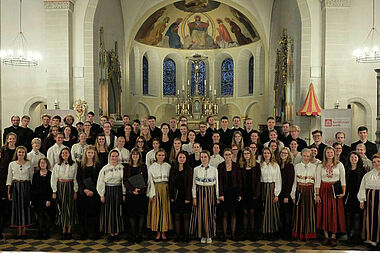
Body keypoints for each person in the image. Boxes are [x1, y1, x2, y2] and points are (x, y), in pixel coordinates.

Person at [316, 146, 346, 247]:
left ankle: (333, 236)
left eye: (331, 152)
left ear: (334, 153)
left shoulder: (339, 164)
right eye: (328, 152)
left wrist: (343, 192)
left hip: (335, 189)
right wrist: (317, 194)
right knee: (324, 212)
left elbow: (343, 179)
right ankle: (326, 236)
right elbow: (317, 180)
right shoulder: (320, 165)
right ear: (325, 154)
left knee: (334, 213)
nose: (330, 154)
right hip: (324, 190)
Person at [189, 150, 219, 244]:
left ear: (209, 158)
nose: (203, 159)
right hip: (199, 192)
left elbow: (217, 184)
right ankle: (202, 235)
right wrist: (194, 196)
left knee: (210, 214)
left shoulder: (214, 169)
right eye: (201, 157)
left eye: (205, 157)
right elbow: (193, 184)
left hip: (210, 192)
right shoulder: (196, 169)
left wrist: (217, 196)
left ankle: (209, 235)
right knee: (200, 214)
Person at [96, 149, 125, 242]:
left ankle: (116, 233)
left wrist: (124, 193)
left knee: (117, 211)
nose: (114, 158)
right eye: (112, 156)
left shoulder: (122, 167)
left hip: (118, 191)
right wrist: (102, 194)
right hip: (108, 191)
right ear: (109, 157)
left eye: (116, 156)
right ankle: (110, 233)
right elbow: (100, 182)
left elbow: (124, 182)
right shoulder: (105, 168)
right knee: (108, 211)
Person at [51, 147, 78, 240]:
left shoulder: (74, 164)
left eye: (66, 153)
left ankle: (69, 230)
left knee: (70, 207)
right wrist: (54, 191)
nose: (64, 155)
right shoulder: (57, 165)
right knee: (61, 208)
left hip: (70, 186)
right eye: (63, 153)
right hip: (60, 187)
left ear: (69, 154)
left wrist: (75, 190)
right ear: (60, 155)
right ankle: (63, 230)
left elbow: (75, 178)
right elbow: (54, 178)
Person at [6, 146, 33, 238]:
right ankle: (19, 231)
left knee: (25, 207)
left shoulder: (29, 163)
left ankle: (24, 231)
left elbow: (31, 177)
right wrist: (9, 191)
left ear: (25, 153)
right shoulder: (12, 164)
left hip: (25, 186)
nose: (21, 154)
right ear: (16, 153)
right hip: (15, 187)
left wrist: (31, 190)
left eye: (22, 152)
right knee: (16, 208)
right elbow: (9, 178)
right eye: (19, 152)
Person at [291, 148, 317, 240]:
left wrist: (315, 195)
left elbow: (316, 182)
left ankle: (309, 233)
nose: (306, 158)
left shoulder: (314, 167)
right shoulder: (297, 166)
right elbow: (294, 181)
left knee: (309, 212)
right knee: (299, 212)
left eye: (308, 156)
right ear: (301, 156)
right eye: (304, 156)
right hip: (300, 190)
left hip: (310, 191)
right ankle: (299, 233)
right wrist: (293, 195)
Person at [123, 148, 148, 243]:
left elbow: (146, 179)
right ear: (131, 156)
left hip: (141, 194)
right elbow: (125, 180)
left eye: (137, 154)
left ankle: (140, 235)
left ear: (139, 156)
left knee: (141, 215)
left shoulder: (143, 166)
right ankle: (133, 235)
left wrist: (140, 190)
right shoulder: (127, 167)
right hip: (131, 194)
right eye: (133, 154)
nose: (135, 156)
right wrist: (133, 189)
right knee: (131, 215)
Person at [147, 149, 172, 241]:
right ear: (156, 156)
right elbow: (150, 182)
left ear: (165, 156)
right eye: (159, 155)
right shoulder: (152, 167)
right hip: (156, 188)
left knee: (165, 210)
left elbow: (171, 180)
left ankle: (164, 232)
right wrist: (151, 194)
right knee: (157, 210)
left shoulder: (168, 166)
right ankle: (158, 232)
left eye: (162, 155)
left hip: (166, 189)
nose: (161, 157)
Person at [77, 146, 101, 240]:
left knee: (95, 214)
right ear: (85, 154)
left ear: (94, 154)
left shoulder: (98, 165)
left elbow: (100, 179)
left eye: (92, 153)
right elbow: (78, 179)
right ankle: (84, 233)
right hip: (84, 193)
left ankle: (95, 233)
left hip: (94, 193)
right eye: (88, 153)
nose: (90, 154)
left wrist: (93, 190)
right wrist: (84, 190)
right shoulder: (80, 165)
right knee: (83, 214)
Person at [218, 148, 242, 241]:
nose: (228, 156)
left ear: (232, 155)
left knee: (233, 214)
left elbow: (239, 180)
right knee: (224, 214)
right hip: (224, 192)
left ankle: (232, 234)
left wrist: (239, 193)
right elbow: (219, 181)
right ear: (223, 156)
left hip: (234, 192)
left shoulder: (236, 166)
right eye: (226, 154)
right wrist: (220, 194)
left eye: (229, 154)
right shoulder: (220, 166)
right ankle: (224, 234)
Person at [169, 151, 193, 242]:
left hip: (185, 195)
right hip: (175, 195)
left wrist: (188, 197)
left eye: (183, 157)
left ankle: (186, 236)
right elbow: (170, 183)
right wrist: (171, 196)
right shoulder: (173, 168)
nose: (181, 159)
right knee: (177, 216)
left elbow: (190, 185)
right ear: (177, 158)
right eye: (180, 157)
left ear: (186, 159)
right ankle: (178, 236)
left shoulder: (189, 169)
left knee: (186, 216)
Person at [358, 153, 380, 248]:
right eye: (374, 162)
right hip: (371, 200)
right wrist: (362, 200)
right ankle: (373, 239)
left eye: (378, 161)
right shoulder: (368, 175)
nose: (376, 163)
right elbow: (362, 188)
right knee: (371, 218)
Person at [345, 151, 366, 245]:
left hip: (358, 196)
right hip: (348, 196)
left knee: (357, 216)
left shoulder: (362, 170)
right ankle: (349, 237)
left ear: (358, 159)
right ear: (349, 159)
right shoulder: (346, 169)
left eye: (355, 157)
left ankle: (357, 236)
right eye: (352, 157)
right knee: (348, 216)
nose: (353, 159)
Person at [260, 147, 281, 240]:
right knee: (264, 210)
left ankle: (273, 231)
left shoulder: (275, 165)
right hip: (263, 187)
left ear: (271, 154)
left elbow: (278, 179)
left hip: (272, 188)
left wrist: (276, 193)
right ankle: (265, 231)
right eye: (264, 153)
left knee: (272, 210)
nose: (266, 155)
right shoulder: (260, 164)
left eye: (268, 153)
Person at [240, 147, 261, 241]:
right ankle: (244, 233)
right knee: (245, 213)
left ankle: (252, 233)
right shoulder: (240, 165)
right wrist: (240, 194)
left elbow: (258, 180)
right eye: (245, 154)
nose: (246, 155)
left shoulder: (256, 165)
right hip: (243, 192)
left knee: (252, 213)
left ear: (251, 154)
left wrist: (256, 194)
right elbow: (239, 181)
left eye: (248, 153)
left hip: (253, 192)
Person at [0, 133, 17, 240]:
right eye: (9, 139)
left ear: (15, 140)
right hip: (4, 175)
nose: (11, 140)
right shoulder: (3, 149)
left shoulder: (18, 149)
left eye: (13, 138)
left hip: (15, 175)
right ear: (7, 139)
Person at [31, 158, 53, 239]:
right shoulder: (36, 174)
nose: (42, 164)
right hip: (38, 198)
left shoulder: (50, 174)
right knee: (39, 215)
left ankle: (47, 233)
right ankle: (40, 233)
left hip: (47, 198)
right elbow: (33, 187)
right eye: (41, 163)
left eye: (44, 163)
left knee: (47, 215)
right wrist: (32, 199)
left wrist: (49, 199)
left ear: (47, 164)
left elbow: (52, 188)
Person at [277, 147, 294, 240]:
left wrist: (287, 195)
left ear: (288, 155)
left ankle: (288, 233)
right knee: (281, 214)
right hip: (279, 192)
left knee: (287, 214)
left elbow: (290, 182)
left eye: (285, 153)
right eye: (282, 153)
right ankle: (282, 231)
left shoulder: (290, 166)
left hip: (286, 194)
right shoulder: (278, 165)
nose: (283, 154)